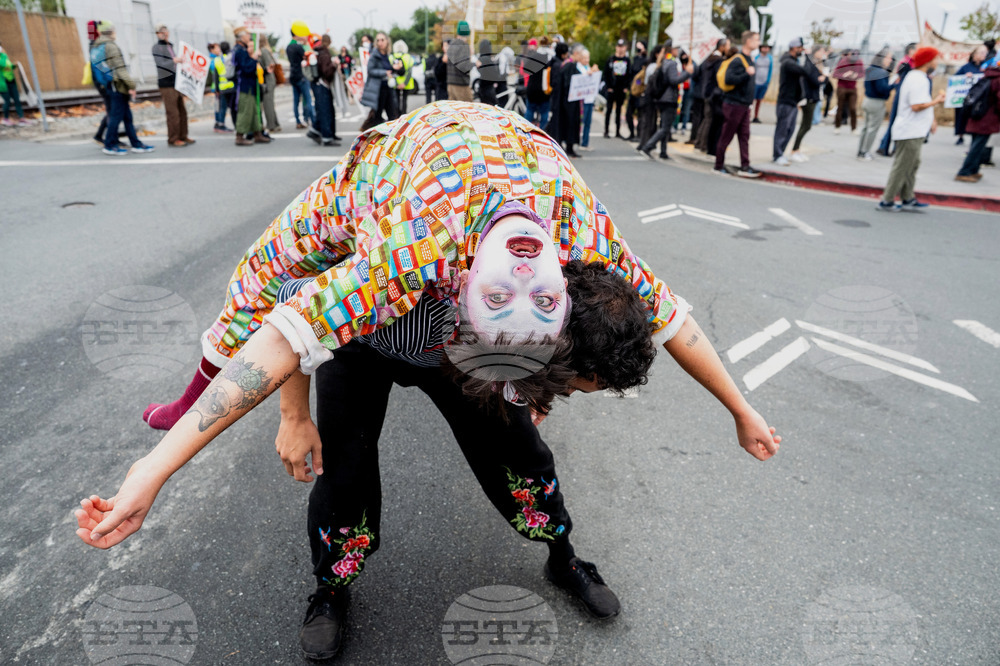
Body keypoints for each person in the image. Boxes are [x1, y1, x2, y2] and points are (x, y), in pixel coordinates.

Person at [75, 102, 781, 661]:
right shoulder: (411, 249)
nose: (557, 400)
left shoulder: (582, 237)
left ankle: (562, 555)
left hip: (461, 334)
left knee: (523, 458)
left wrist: (740, 410)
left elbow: (673, 322)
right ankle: (331, 588)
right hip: (367, 339)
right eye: (560, 389)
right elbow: (281, 323)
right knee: (342, 473)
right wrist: (161, 469)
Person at [877, 47, 946, 211]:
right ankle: (887, 200)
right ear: (928, 61)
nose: (937, 63)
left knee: (912, 164)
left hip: (915, 129)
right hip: (910, 130)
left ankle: (907, 197)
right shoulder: (918, 79)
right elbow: (916, 106)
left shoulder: (918, 77)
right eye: (935, 59)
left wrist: (932, 119)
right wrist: (937, 101)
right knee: (902, 166)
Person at [90, 21, 155, 156]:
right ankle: (109, 145)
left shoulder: (96, 46)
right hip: (118, 86)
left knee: (127, 117)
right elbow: (120, 69)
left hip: (110, 85)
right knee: (116, 117)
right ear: (111, 31)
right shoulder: (111, 46)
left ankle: (136, 144)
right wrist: (131, 85)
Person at [714, 31, 762, 177]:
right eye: (756, 40)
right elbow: (729, 80)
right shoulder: (738, 60)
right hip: (734, 104)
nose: (758, 43)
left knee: (744, 136)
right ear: (747, 41)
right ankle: (718, 165)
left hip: (744, 105)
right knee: (727, 135)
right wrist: (746, 73)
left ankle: (745, 166)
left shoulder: (749, 59)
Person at [638, 40, 692, 160]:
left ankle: (663, 151)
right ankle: (648, 146)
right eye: (676, 49)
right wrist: (687, 73)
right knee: (665, 127)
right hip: (669, 99)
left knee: (664, 125)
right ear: (672, 49)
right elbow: (674, 80)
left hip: (662, 98)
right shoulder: (672, 63)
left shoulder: (664, 62)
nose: (678, 51)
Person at [955, 61, 1000, 183]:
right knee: (977, 147)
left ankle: (973, 170)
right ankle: (964, 172)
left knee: (977, 145)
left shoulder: (988, 76)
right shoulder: (998, 80)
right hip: (987, 120)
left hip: (976, 116)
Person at [152, 24, 192, 147]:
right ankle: (173, 138)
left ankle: (183, 135)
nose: (164, 33)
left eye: (165, 31)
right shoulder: (157, 47)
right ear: (157, 34)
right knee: (173, 112)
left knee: (182, 111)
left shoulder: (170, 46)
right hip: (166, 83)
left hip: (176, 82)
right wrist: (173, 61)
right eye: (161, 32)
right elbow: (161, 63)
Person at [877, 42, 917, 156]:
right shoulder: (905, 63)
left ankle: (891, 147)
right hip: (902, 97)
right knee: (895, 122)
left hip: (904, 97)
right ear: (911, 51)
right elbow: (900, 80)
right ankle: (885, 146)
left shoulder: (912, 63)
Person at [772, 38, 808, 167]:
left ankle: (781, 153)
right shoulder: (788, 62)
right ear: (794, 48)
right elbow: (804, 71)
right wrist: (808, 58)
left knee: (790, 130)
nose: (801, 50)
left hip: (793, 102)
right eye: (800, 48)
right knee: (782, 129)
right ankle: (777, 155)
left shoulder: (793, 61)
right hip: (786, 101)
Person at [789, 44, 827, 164]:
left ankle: (796, 149)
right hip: (809, 98)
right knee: (805, 126)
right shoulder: (810, 64)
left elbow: (825, 80)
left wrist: (823, 77)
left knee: (806, 126)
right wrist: (822, 78)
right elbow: (815, 81)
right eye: (821, 51)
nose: (822, 53)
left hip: (814, 97)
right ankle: (794, 150)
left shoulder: (817, 64)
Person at [232, 27, 269, 146]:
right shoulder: (239, 51)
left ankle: (257, 133)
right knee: (246, 112)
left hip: (250, 86)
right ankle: (240, 136)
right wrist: (253, 58)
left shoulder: (241, 49)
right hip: (245, 86)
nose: (249, 36)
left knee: (254, 111)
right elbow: (246, 68)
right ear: (242, 36)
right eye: (247, 34)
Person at [359, 32, 402, 131]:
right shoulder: (375, 54)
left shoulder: (388, 55)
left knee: (392, 114)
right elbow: (370, 70)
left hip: (389, 87)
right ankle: (375, 138)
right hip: (379, 88)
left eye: (382, 40)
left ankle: (392, 136)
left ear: (387, 41)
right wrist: (384, 72)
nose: (380, 42)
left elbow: (392, 70)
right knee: (377, 115)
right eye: (378, 40)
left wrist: (395, 69)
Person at [693, 38, 729, 153]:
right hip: (713, 94)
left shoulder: (708, 59)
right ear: (722, 47)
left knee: (706, 119)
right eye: (727, 45)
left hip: (705, 92)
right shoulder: (718, 61)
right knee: (709, 120)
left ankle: (698, 142)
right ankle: (704, 144)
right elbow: (718, 79)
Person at [547, 42, 581, 158]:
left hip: (557, 100)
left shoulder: (554, 63)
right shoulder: (565, 66)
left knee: (558, 124)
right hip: (563, 101)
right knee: (563, 124)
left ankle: (559, 146)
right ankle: (564, 148)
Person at [857, 49, 893, 161]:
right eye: (889, 57)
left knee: (866, 127)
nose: (890, 60)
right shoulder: (881, 72)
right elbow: (882, 89)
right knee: (872, 129)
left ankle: (860, 150)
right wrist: (893, 85)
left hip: (867, 100)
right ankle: (865, 152)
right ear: (882, 58)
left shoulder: (870, 69)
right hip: (876, 102)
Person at [311, 34, 340, 146]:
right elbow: (326, 71)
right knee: (326, 111)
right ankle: (327, 136)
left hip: (320, 84)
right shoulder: (324, 53)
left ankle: (317, 131)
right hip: (323, 84)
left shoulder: (320, 52)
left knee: (326, 109)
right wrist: (334, 65)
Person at [955, 46, 988, 145]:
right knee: (961, 116)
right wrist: (964, 77)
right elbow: (955, 79)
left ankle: (974, 137)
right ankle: (960, 136)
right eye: (981, 53)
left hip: (978, 98)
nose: (984, 55)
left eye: (985, 53)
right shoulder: (966, 67)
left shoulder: (985, 67)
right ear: (975, 55)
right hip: (965, 97)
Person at [286, 30, 314, 130]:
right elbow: (307, 57)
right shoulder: (298, 47)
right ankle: (314, 121)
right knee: (308, 99)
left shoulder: (288, 47)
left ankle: (298, 121)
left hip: (293, 76)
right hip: (302, 76)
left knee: (296, 101)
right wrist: (305, 43)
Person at [603, 38, 631, 138]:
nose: (620, 49)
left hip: (621, 90)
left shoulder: (627, 61)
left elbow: (629, 75)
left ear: (625, 48)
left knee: (619, 110)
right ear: (616, 47)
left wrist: (626, 87)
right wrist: (608, 87)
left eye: (622, 47)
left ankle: (617, 131)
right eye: (619, 47)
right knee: (609, 110)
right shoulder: (611, 59)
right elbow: (605, 74)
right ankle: (606, 130)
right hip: (611, 89)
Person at [832, 49, 863, 134]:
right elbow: (835, 74)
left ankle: (854, 128)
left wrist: (857, 75)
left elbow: (862, 73)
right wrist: (844, 75)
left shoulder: (859, 62)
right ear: (849, 55)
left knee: (853, 108)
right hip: (842, 87)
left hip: (852, 88)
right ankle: (837, 126)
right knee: (840, 107)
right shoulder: (843, 61)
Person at [524, 37, 552, 128]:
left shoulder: (534, 56)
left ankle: (526, 131)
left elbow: (525, 69)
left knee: (529, 111)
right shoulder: (550, 57)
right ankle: (542, 132)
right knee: (544, 113)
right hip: (544, 90)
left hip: (532, 89)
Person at [624, 40, 648, 141]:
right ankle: (632, 134)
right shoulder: (634, 59)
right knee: (629, 113)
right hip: (632, 90)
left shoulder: (646, 60)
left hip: (640, 90)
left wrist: (637, 85)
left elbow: (639, 78)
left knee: (640, 114)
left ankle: (639, 135)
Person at [257, 40, 281, 134]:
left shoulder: (263, 51)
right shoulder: (264, 50)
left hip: (268, 81)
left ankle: (271, 125)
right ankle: (275, 124)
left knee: (268, 104)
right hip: (268, 80)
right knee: (269, 103)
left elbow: (269, 66)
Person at [577, 48, 599, 150]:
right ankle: (577, 141)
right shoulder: (579, 67)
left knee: (588, 122)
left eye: (588, 58)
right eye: (584, 58)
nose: (586, 60)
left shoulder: (588, 67)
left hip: (590, 99)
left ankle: (585, 143)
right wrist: (589, 72)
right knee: (581, 121)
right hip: (582, 100)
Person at [446, 21, 473, 102]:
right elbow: (464, 67)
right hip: (461, 84)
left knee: (453, 112)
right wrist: (474, 63)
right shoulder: (464, 45)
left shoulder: (451, 44)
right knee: (468, 110)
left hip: (451, 83)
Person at [751, 43, 773, 123]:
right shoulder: (756, 58)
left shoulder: (770, 58)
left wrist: (768, 81)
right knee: (752, 100)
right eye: (764, 48)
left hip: (764, 82)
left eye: (767, 48)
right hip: (756, 81)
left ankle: (756, 116)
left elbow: (770, 70)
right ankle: (749, 115)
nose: (765, 49)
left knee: (759, 100)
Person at [392, 40, 414, 113]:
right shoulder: (408, 57)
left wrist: (397, 84)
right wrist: (404, 83)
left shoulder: (393, 57)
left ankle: (397, 115)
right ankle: (404, 115)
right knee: (404, 99)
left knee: (397, 100)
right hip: (406, 83)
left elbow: (392, 71)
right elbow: (410, 72)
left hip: (396, 83)